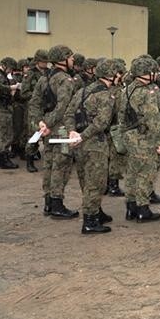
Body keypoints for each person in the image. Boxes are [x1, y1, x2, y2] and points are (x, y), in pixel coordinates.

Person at [64, 59, 120, 234]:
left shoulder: (82, 91)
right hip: (94, 144)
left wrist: (72, 132)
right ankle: (90, 221)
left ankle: (96, 211)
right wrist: (82, 136)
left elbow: (68, 114)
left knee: (85, 180)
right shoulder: (106, 95)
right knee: (96, 182)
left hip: (79, 144)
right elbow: (101, 122)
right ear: (110, 75)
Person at [29, 45, 79, 218]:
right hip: (61, 131)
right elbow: (63, 106)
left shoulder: (44, 78)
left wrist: (40, 124)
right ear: (62, 60)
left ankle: (48, 203)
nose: (73, 60)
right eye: (70, 57)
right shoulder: (65, 80)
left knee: (49, 165)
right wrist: (47, 124)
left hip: (47, 131)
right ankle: (57, 204)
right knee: (61, 166)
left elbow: (34, 104)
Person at [121, 57, 160, 222]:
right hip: (145, 138)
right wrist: (159, 141)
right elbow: (153, 119)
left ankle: (131, 207)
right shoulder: (148, 92)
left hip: (130, 136)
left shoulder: (126, 89)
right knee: (145, 174)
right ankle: (143, 209)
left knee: (132, 173)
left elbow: (121, 115)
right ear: (147, 73)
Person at [0, 57, 20, 169]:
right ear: (5, 66)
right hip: (1, 107)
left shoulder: (0, 75)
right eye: (10, 68)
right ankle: (4, 158)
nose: (10, 71)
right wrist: (11, 88)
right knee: (5, 132)